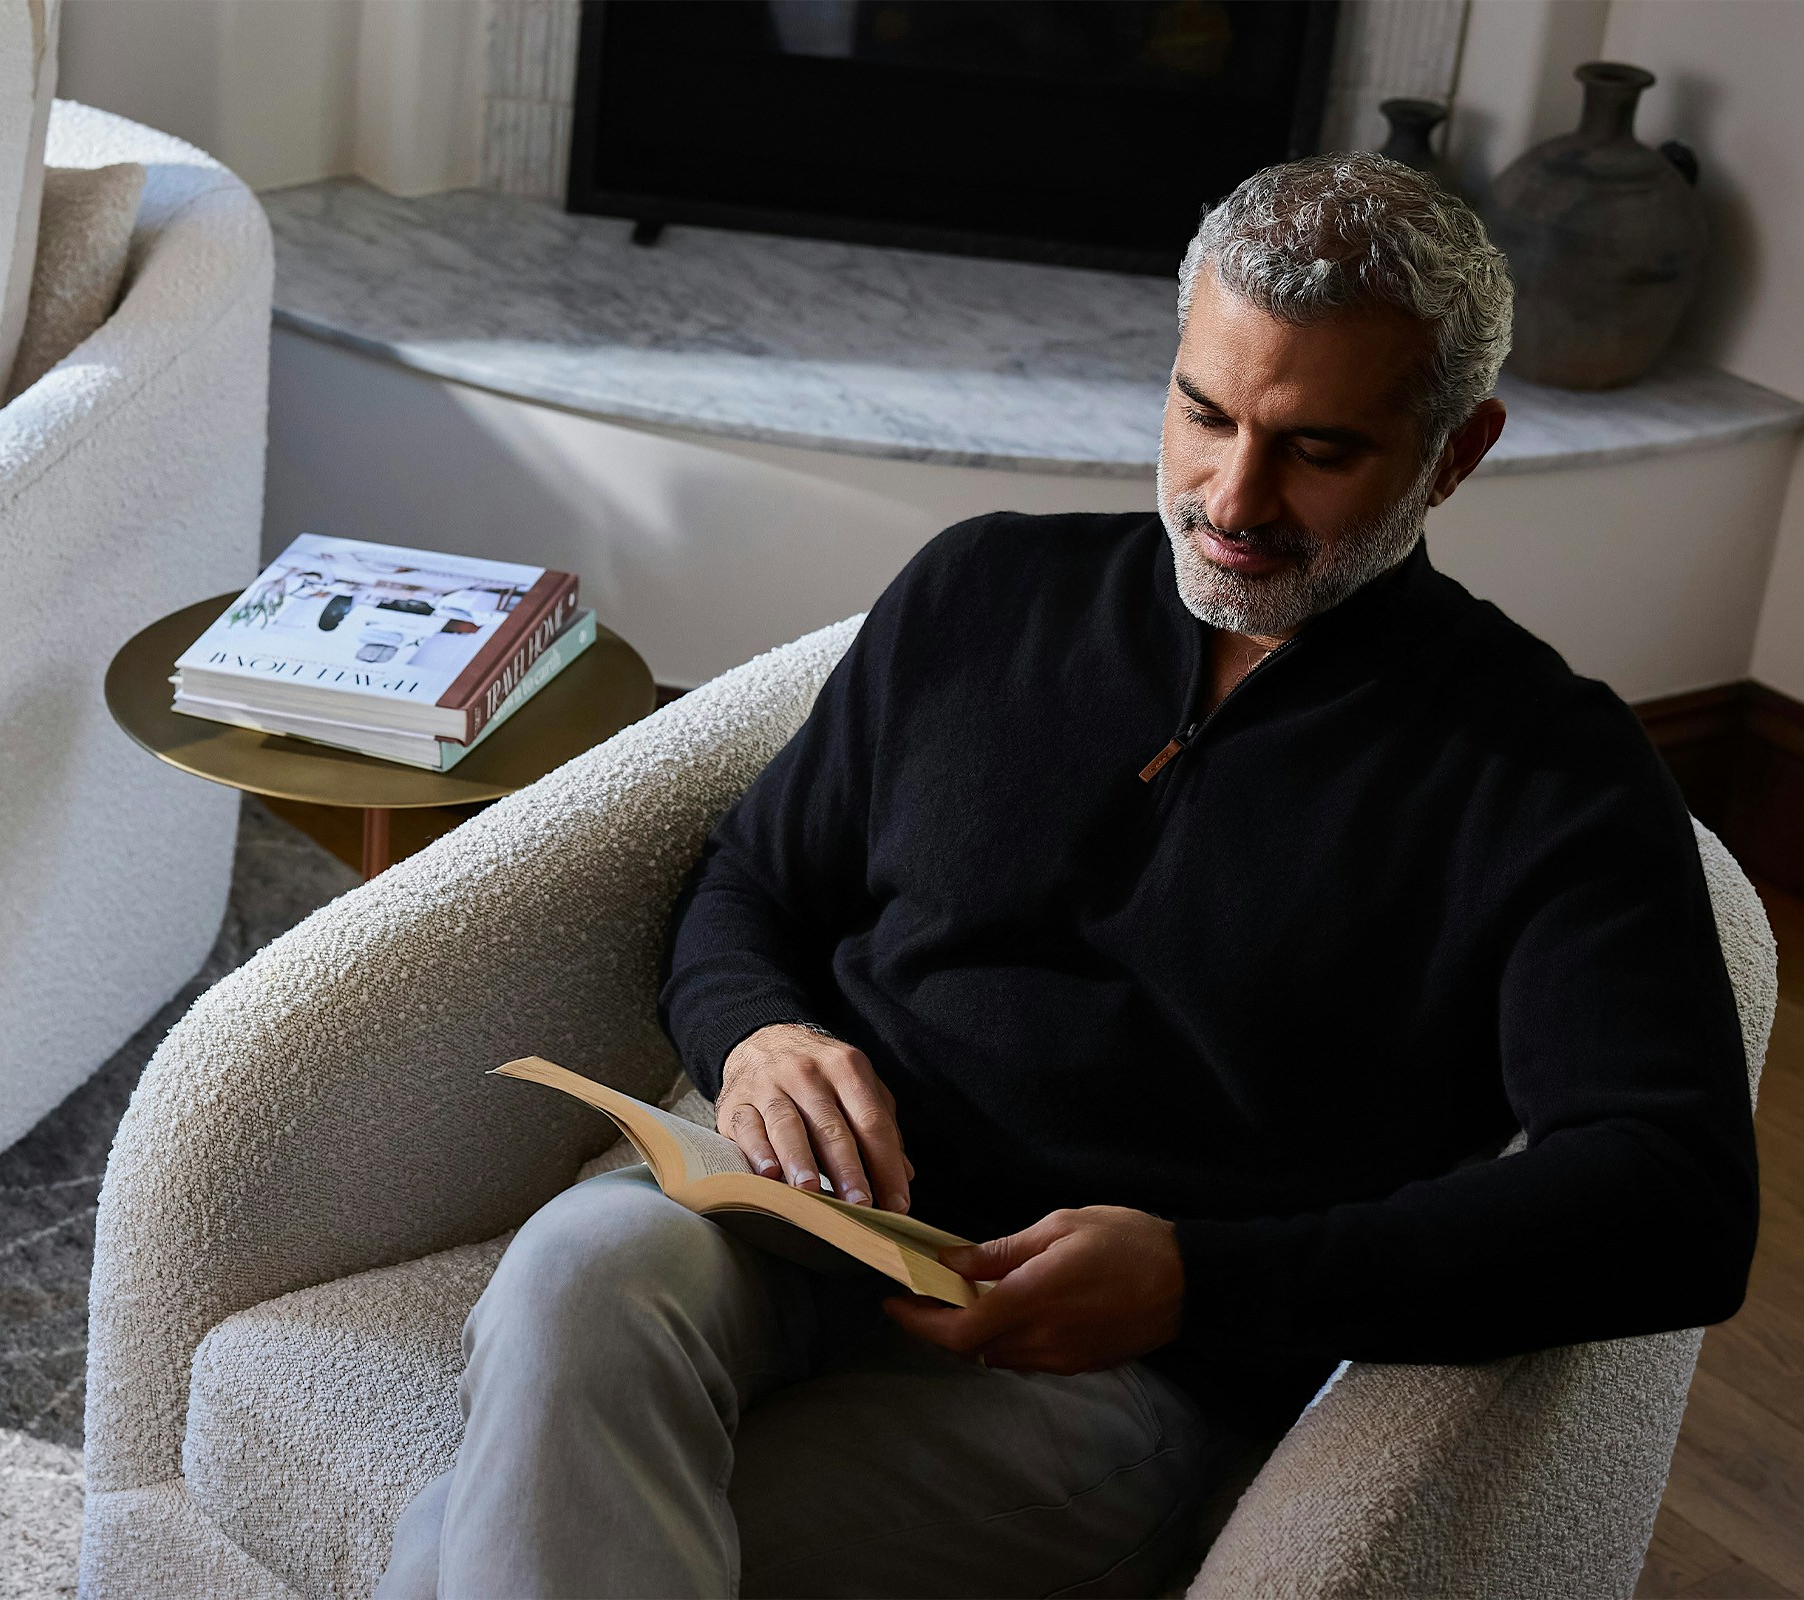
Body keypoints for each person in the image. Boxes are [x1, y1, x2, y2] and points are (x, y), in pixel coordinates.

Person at [378, 154, 1759, 1599]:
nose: (1233, 498)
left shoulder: (1547, 772)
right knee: (574, 1266)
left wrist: (1200, 1280)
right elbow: (748, 881)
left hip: (1125, 1371)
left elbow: (1671, 1203)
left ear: (1455, 452)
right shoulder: (980, 589)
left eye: (1317, 449)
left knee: (502, 1540)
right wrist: (757, 1037)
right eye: (1204, 414)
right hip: (802, 1217)